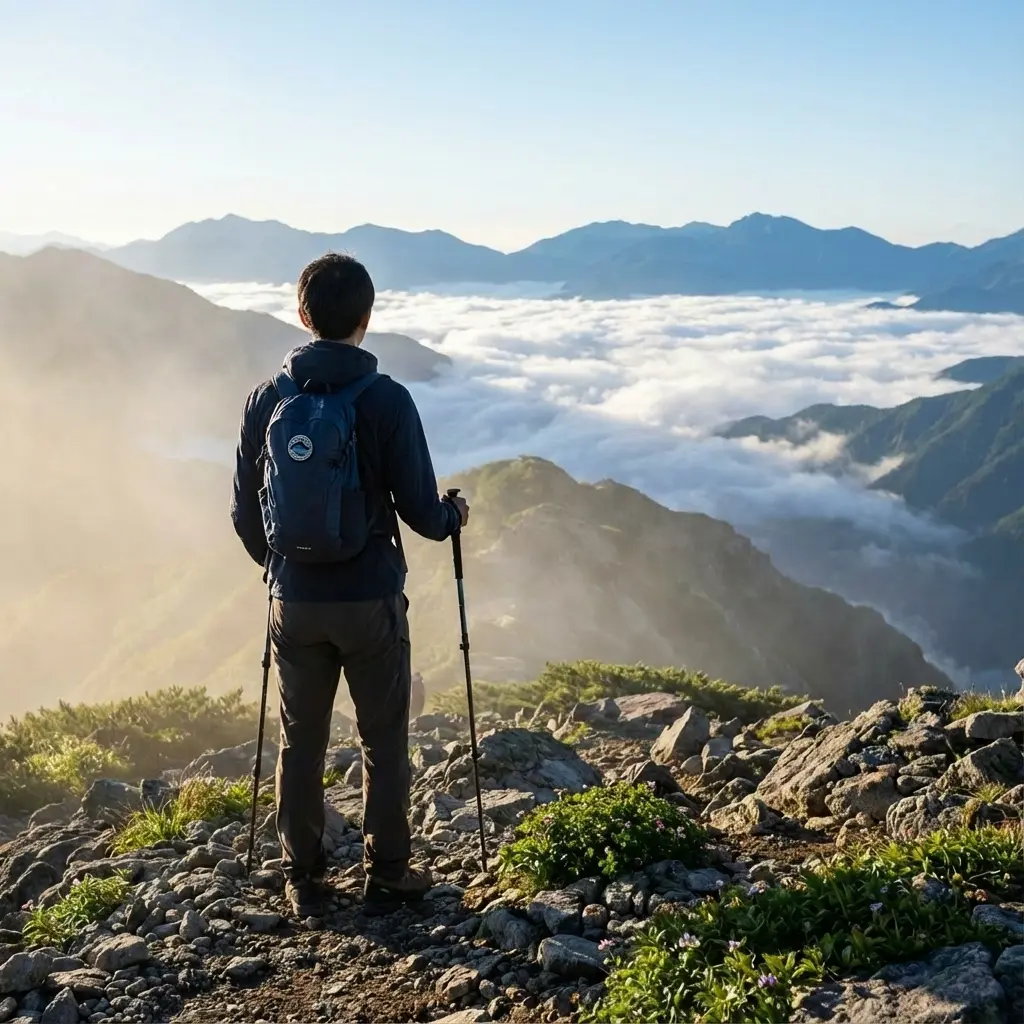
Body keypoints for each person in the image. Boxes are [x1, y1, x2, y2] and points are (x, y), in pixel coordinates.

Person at [230, 253, 468, 917]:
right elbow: (424, 515)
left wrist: (282, 571)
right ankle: (388, 872)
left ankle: (302, 878)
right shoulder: (388, 400)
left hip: (294, 603)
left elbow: (246, 516)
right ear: (367, 318)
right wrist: (455, 515)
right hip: (369, 600)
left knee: (300, 741)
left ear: (303, 317)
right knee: (382, 737)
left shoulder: (267, 400)